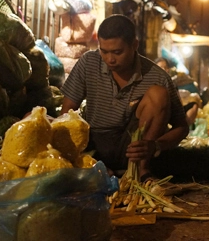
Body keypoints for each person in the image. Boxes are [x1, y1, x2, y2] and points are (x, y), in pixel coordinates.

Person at [61, 15, 189, 180]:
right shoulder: (89, 63)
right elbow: (66, 114)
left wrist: (155, 146)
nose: (110, 59)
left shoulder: (157, 76)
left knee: (158, 94)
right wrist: (78, 158)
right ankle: (98, 168)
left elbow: (181, 127)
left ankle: (141, 171)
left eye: (117, 52)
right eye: (104, 51)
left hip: (132, 148)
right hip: (95, 143)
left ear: (134, 45)